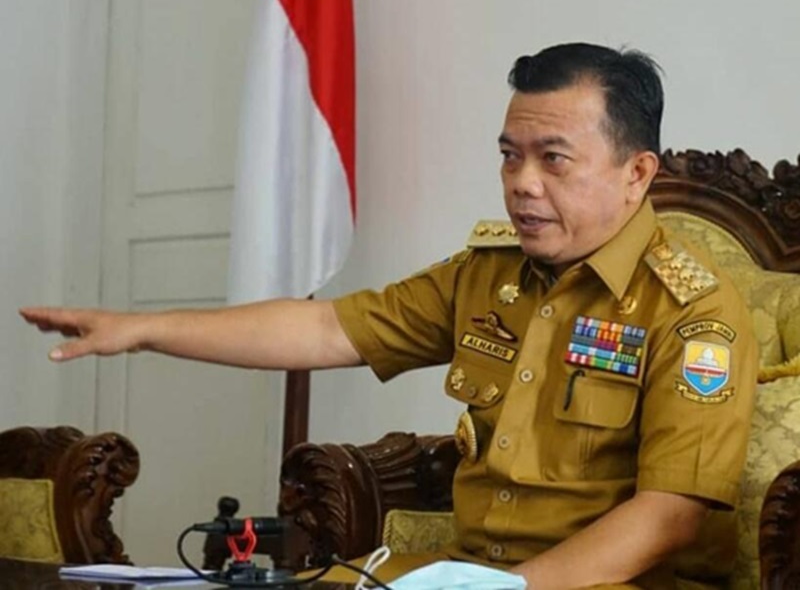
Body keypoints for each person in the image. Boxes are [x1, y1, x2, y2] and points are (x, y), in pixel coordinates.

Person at [20, 43, 757, 589]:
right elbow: (326, 329)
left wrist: (516, 589)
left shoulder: (693, 311)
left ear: (636, 173)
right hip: (469, 573)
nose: (521, 184)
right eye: (510, 156)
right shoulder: (488, 274)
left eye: (553, 159)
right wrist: (143, 330)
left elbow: (670, 514)